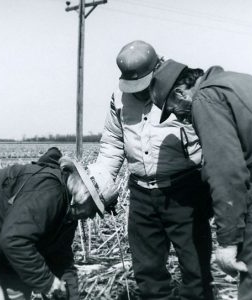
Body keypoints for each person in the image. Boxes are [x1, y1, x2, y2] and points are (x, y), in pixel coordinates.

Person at [96, 40, 214, 300]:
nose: (139, 92)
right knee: (148, 278)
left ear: (158, 67)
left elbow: (212, 140)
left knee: (197, 276)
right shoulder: (118, 99)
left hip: (185, 192)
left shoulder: (184, 91)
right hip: (141, 196)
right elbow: (113, 143)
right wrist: (101, 184)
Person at [149, 59, 252, 300]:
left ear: (180, 93)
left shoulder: (205, 100)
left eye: (173, 110)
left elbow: (227, 172)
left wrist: (228, 241)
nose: (179, 118)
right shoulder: (235, 81)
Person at [0, 147, 118, 300]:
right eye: (94, 209)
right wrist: (48, 283)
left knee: (19, 294)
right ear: (85, 194)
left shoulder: (68, 212)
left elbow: (61, 259)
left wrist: (70, 295)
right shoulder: (50, 192)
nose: (91, 217)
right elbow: (14, 241)